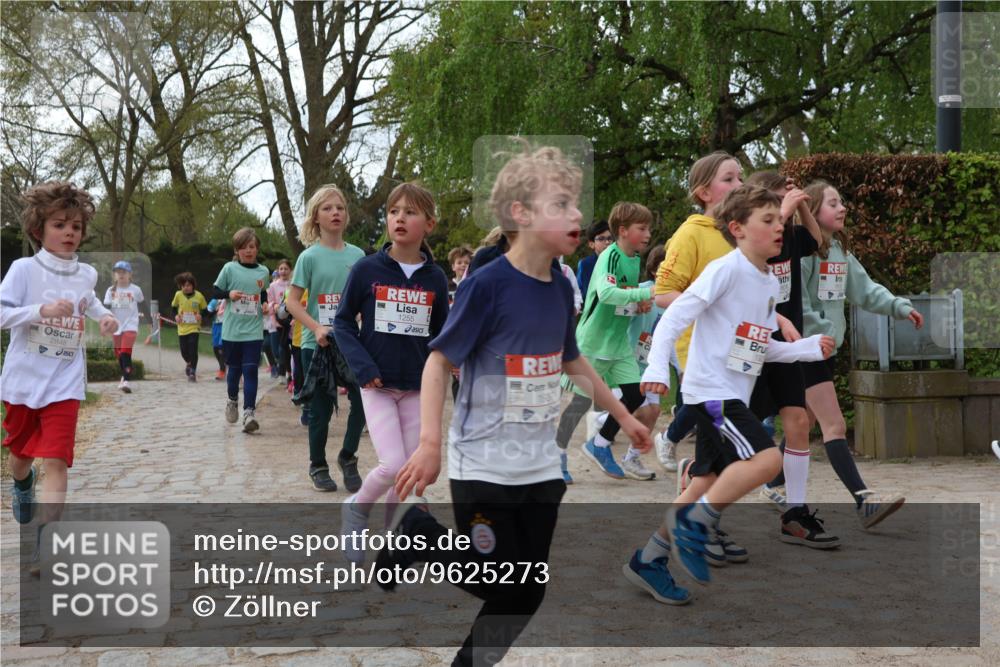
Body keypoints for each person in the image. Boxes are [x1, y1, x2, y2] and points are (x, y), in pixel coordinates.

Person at [377, 145, 653, 666]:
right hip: (484, 461)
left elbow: (571, 359)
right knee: (498, 580)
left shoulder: (560, 288)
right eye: (561, 204)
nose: (577, 214)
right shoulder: (488, 285)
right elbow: (438, 362)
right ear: (521, 214)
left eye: (575, 203)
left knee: (526, 590)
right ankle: (422, 537)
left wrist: (622, 416)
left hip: (541, 465)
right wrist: (430, 444)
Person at [631, 184, 835, 597]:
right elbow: (672, 317)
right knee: (767, 459)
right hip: (711, 393)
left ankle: (648, 559)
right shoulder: (724, 270)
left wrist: (805, 348)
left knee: (704, 481)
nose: (779, 227)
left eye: (780, 220)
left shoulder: (767, 284)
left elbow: (757, 348)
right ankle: (696, 526)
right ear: (737, 228)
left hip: (730, 394)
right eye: (768, 220)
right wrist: (656, 367)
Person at [1, 181, 119, 554]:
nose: (69, 232)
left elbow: (89, 301)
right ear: (39, 230)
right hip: (23, 382)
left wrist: (104, 317)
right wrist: (41, 311)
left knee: (57, 460)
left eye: (76, 226)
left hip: (65, 382)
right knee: (21, 457)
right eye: (60, 224)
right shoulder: (23, 270)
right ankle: (23, 484)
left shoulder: (85, 274)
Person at [334, 182, 449, 561]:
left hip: (418, 388)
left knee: (409, 472)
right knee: (394, 465)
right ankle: (356, 509)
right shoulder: (367, 269)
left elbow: (442, 334)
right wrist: (363, 366)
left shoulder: (435, 278)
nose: (400, 218)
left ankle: (393, 539)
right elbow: (343, 322)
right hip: (377, 385)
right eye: (394, 211)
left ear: (429, 224)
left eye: (410, 212)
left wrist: (456, 363)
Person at [797, 180, 919, 529]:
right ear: (812, 210)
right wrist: (819, 332)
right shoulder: (803, 254)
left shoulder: (840, 252)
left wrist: (899, 307)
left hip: (826, 349)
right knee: (834, 425)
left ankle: (769, 483)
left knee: (801, 425)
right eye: (833, 203)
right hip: (807, 350)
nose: (843, 208)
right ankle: (864, 501)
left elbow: (865, 290)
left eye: (841, 202)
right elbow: (796, 303)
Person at [739, 171, 839, 547]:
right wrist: (781, 210)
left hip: (789, 345)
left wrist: (803, 208)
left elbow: (817, 240)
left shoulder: (791, 235)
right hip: (751, 344)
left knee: (798, 421)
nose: (789, 199)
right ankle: (700, 493)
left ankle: (795, 513)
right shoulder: (750, 240)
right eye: (781, 195)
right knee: (737, 430)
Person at [652, 151, 745, 482]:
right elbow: (663, 292)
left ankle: (693, 480)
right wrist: (712, 313)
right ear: (704, 192)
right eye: (729, 179)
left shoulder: (740, 233)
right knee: (724, 438)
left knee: (721, 443)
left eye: (741, 177)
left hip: (738, 349)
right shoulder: (691, 233)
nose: (739, 184)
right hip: (700, 350)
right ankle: (695, 490)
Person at [554, 201, 655, 482]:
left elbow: (623, 296)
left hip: (618, 344)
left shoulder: (635, 258)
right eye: (642, 228)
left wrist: (637, 304)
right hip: (594, 344)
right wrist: (644, 293)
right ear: (623, 231)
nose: (648, 234)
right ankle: (557, 454)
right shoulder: (610, 255)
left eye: (649, 228)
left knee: (636, 393)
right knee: (580, 403)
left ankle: (599, 444)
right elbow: (607, 293)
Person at [285, 185, 367, 493]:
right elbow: (292, 303)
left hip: (351, 343)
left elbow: (365, 300)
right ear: (316, 217)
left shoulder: (358, 256)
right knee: (320, 410)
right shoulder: (308, 257)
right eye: (328, 208)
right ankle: (317, 465)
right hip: (315, 344)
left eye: (340, 208)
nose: (335, 213)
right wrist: (317, 327)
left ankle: (348, 456)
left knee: (364, 401)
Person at [211, 228, 270, 433]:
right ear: (237, 250)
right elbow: (215, 291)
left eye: (252, 247)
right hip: (232, 331)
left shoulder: (263, 271)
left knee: (251, 370)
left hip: (254, 330)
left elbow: (263, 292)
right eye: (243, 247)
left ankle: (249, 413)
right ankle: (232, 400)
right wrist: (229, 294)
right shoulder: (229, 268)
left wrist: (264, 303)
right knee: (234, 371)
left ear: (257, 249)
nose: (248, 251)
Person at [103, 260, 144, 393]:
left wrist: (149, 321)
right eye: (118, 272)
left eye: (124, 272)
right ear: (114, 275)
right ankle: (124, 375)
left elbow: (143, 304)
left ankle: (126, 380)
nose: (121, 275)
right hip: (116, 326)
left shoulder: (136, 290)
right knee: (120, 354)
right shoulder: (110, 290)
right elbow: (106, 308)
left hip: (131, 325)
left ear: (130, 275)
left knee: (125, 352)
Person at [171, 272, 207, 382]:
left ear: (193, 285)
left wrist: (201, 315)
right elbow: (173, 308)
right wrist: (176, 316)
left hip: (194, 327)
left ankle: (192, 372)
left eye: (188, 285)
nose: (185, 288)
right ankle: (189, 363)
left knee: (193, 348)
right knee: (184, 351)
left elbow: (205, 310)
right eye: (183, 286)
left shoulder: (199, 296)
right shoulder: (178, 295)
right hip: (182, 328)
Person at [267, 259, 292, 382]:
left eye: (286, 269)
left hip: (291, 321)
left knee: (288, 348)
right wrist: (274, 320)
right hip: (277, 321)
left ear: (290, 270)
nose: (283, 271)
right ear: (278, 270)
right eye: (281, 269)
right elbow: (270, 302)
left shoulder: (293, 284)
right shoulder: (273, 286)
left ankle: (288, 373)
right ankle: (284, 370)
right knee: (278, 350)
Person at [575, 219, 612, 295]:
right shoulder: (586, 264)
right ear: (591, 244)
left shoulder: (618, 261)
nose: (607, 242)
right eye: (601, 239)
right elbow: (587, 293)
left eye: (609, 238)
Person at [206, 298, 227, 381]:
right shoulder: (214, 300)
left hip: (226, 324)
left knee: (222, 347)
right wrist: (214, 310)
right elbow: (208, 312)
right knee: (216, 348)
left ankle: (222, 370)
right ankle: (223, 365)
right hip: (216, 325)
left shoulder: (229, 298)